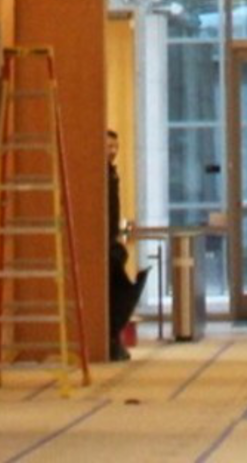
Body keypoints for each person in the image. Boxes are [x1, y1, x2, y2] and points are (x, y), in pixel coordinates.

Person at [102, 131, 144, 357]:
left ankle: (113, 338)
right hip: (103, 242)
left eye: (115, 146)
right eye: (108, 146)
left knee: (120, 292)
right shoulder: (98, 174)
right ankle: (108, 339)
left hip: (111, 239)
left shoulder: (111, 173)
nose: (112, 151)